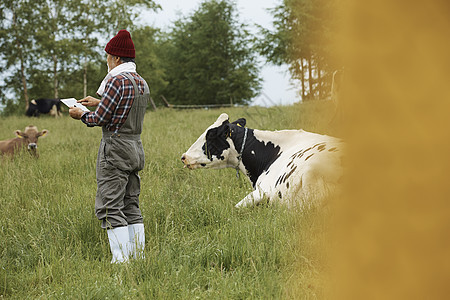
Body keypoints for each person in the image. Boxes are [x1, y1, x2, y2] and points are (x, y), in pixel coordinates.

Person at [69, 29, 149, 263]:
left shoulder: (115, 80)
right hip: (136, 148)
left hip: (115, 150)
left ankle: (121, 261)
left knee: (109, 206)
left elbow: (99, 119)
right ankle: (138, 258)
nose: (107, 61)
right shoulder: (141, 82)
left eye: (108, 57)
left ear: (116, 58)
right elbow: (123, 105)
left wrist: (81, 114)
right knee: (131, 204)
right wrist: (100, 102)